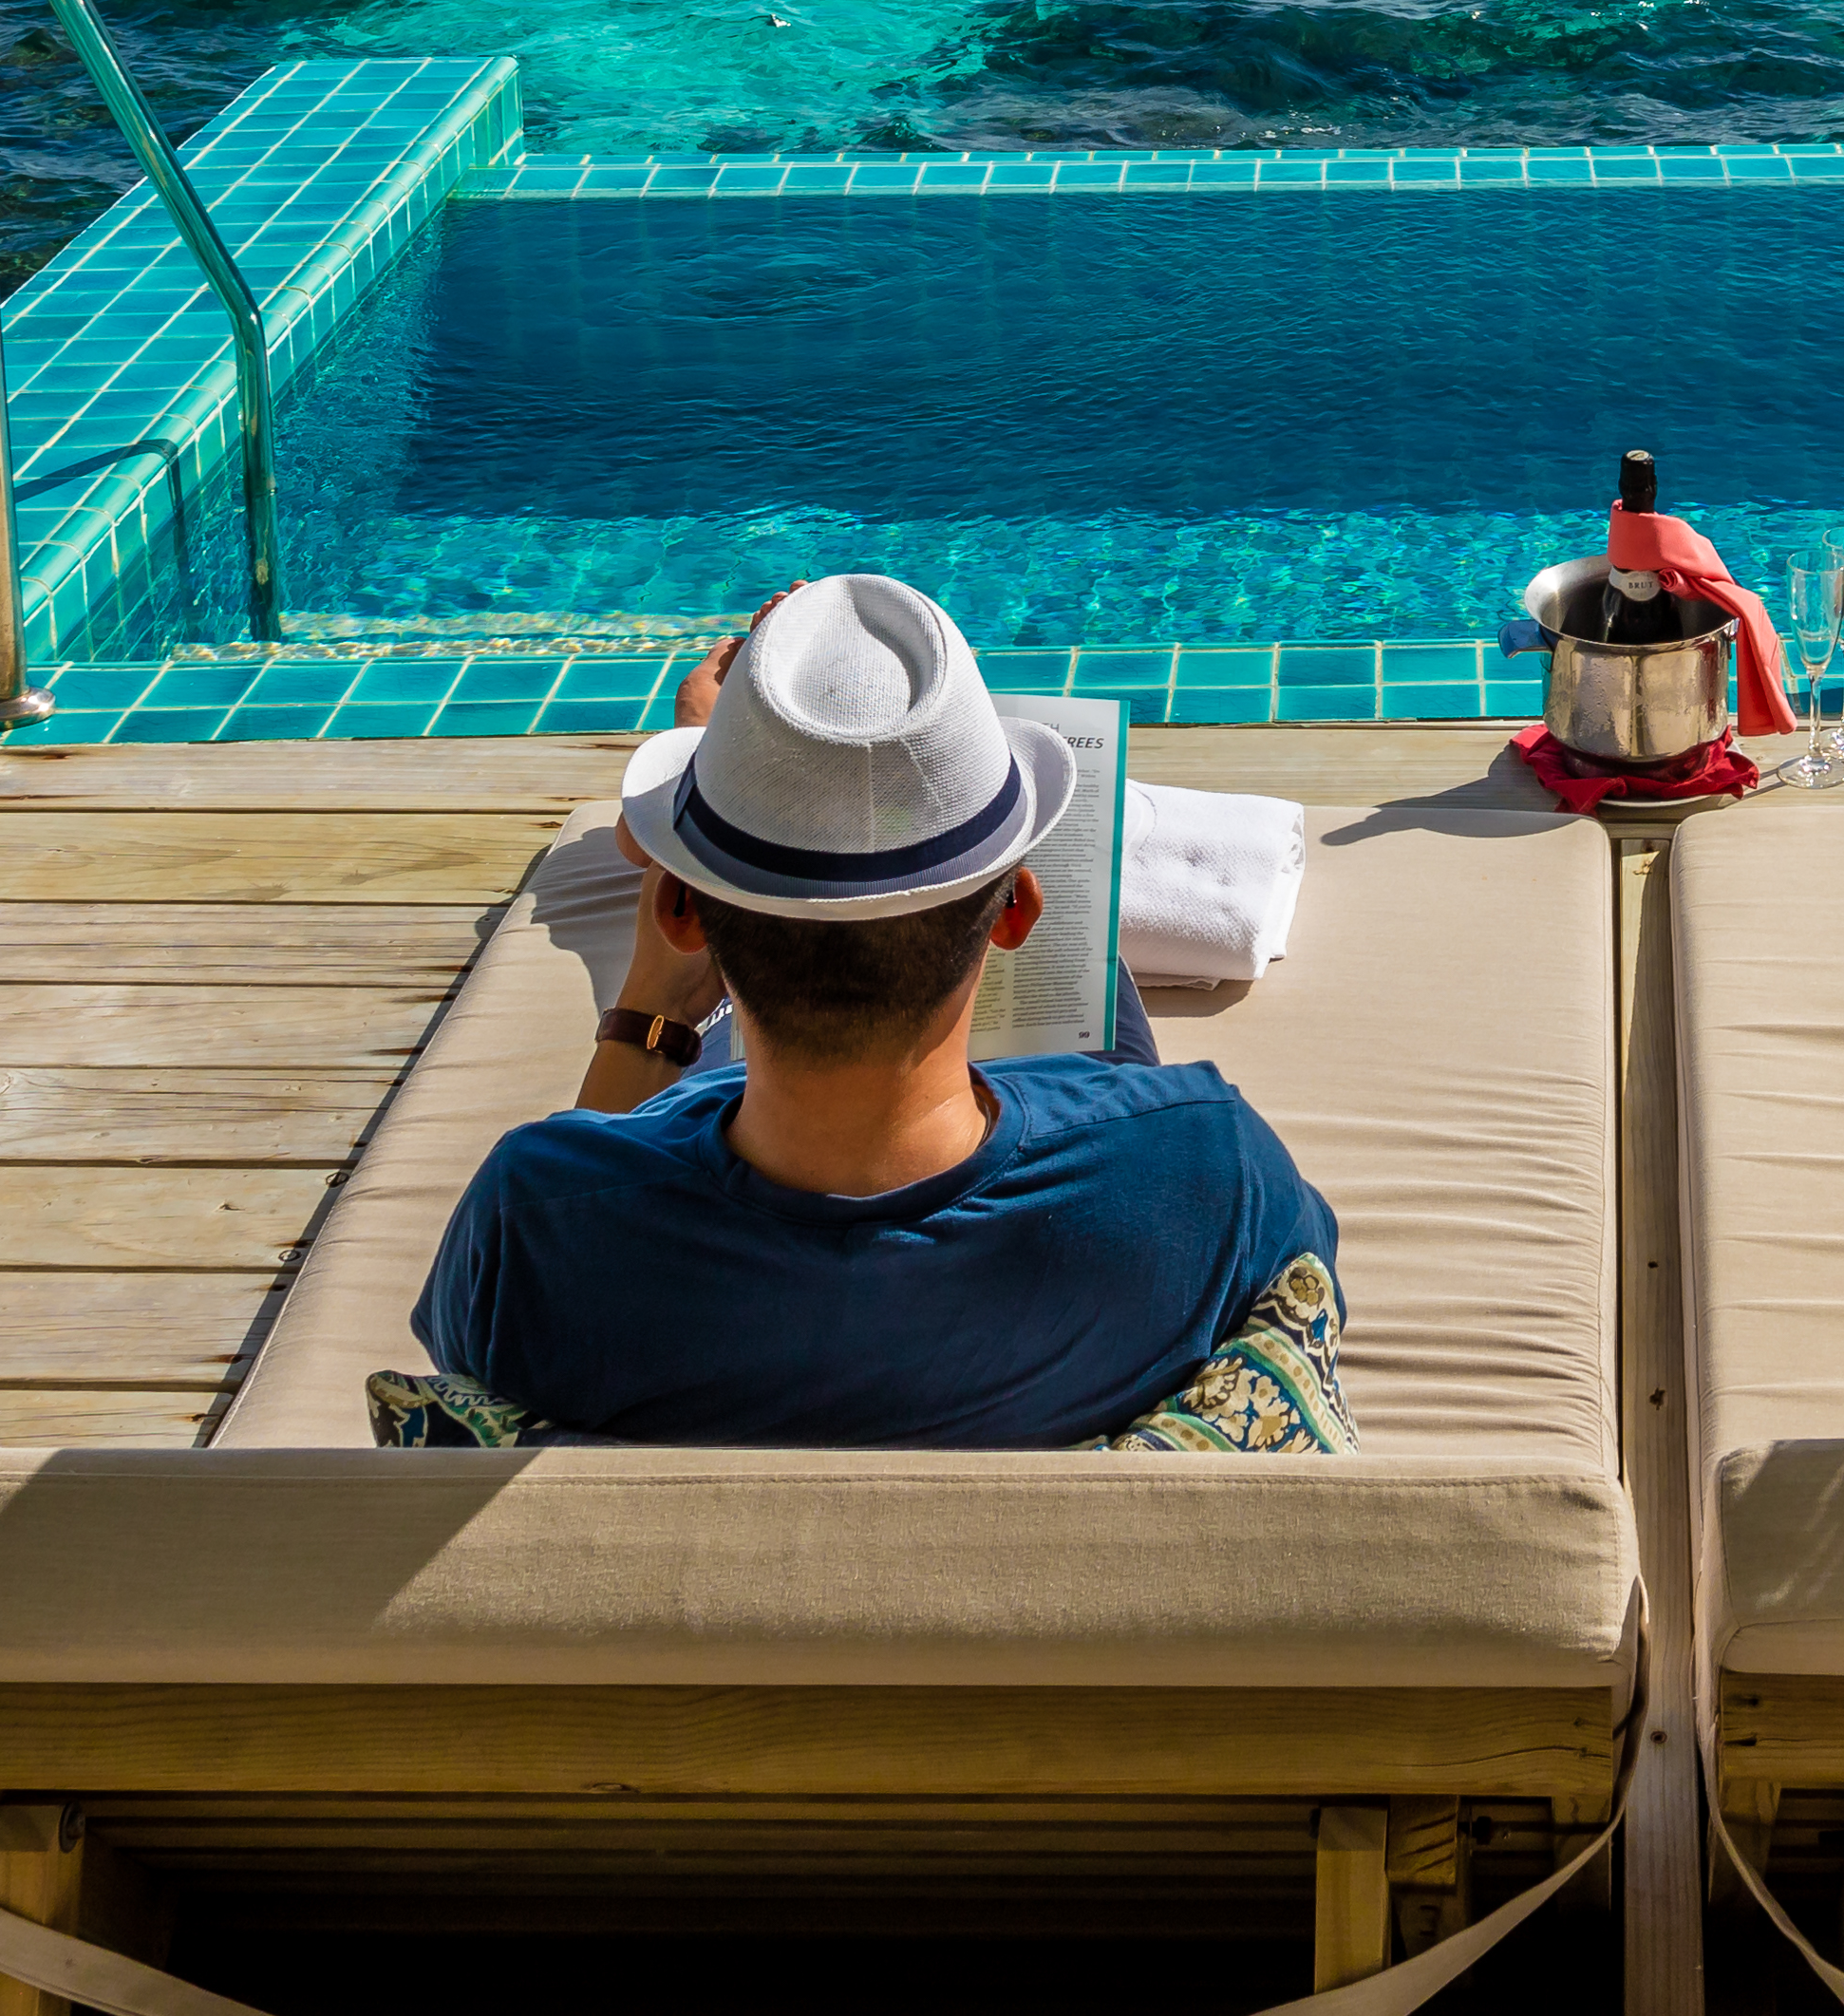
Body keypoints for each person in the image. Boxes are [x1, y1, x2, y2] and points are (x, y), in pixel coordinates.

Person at [413, 569, 1341, 1447]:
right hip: (1091, 1194)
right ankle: (895, 787)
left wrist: (648, 1012)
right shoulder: (1205, 1168)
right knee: (1084, 1014)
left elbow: (591, 1210)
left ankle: (742, 773)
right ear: (1016, 910)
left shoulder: (537, 1218)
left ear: (677, 912)